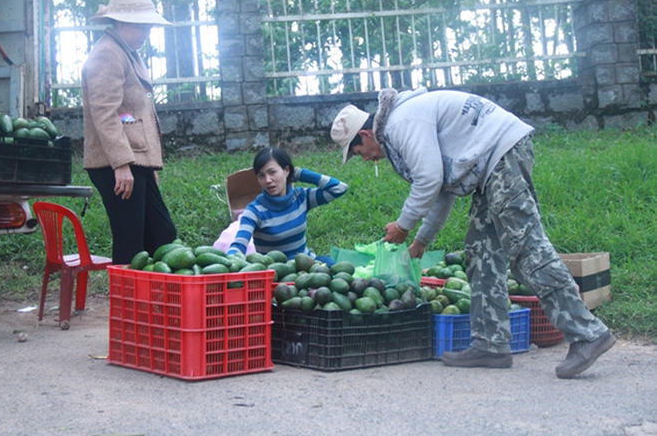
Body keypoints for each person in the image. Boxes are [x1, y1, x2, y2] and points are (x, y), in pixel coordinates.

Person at [330, 87, 615, 379]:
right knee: (481, 253)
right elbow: (443, 187)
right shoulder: (401, 122)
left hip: (502, 156)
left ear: (365, 135)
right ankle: (491, 344)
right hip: (491, 166)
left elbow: (429, 179)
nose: (364, 159)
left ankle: (587, 333)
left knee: (526, 248)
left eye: (357, 152)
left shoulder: (401, 124)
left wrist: (403, 225)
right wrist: (421, 241)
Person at [81, 0, 177, 265]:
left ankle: (151, 302)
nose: (147, 33)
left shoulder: (126, 51)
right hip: (116, 163)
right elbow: (105, 113)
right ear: (122, 23)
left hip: (135, 161)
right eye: (143, 26)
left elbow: (132, 113)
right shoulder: (107, 54)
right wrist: (121, 164)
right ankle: (126, 306)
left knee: (162, 236)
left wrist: (146, 166)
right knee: (130, 240)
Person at [227, 147, 348, 265]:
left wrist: (300, 174)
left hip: (305, 265)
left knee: (330, 264)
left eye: (272, 172)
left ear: (287, 170)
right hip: (276, 274)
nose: (267, 180)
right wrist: (229, 262)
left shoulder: (302, 197)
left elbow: (339, 188)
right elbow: (239, 244)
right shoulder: (254, 211)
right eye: (261, 175)